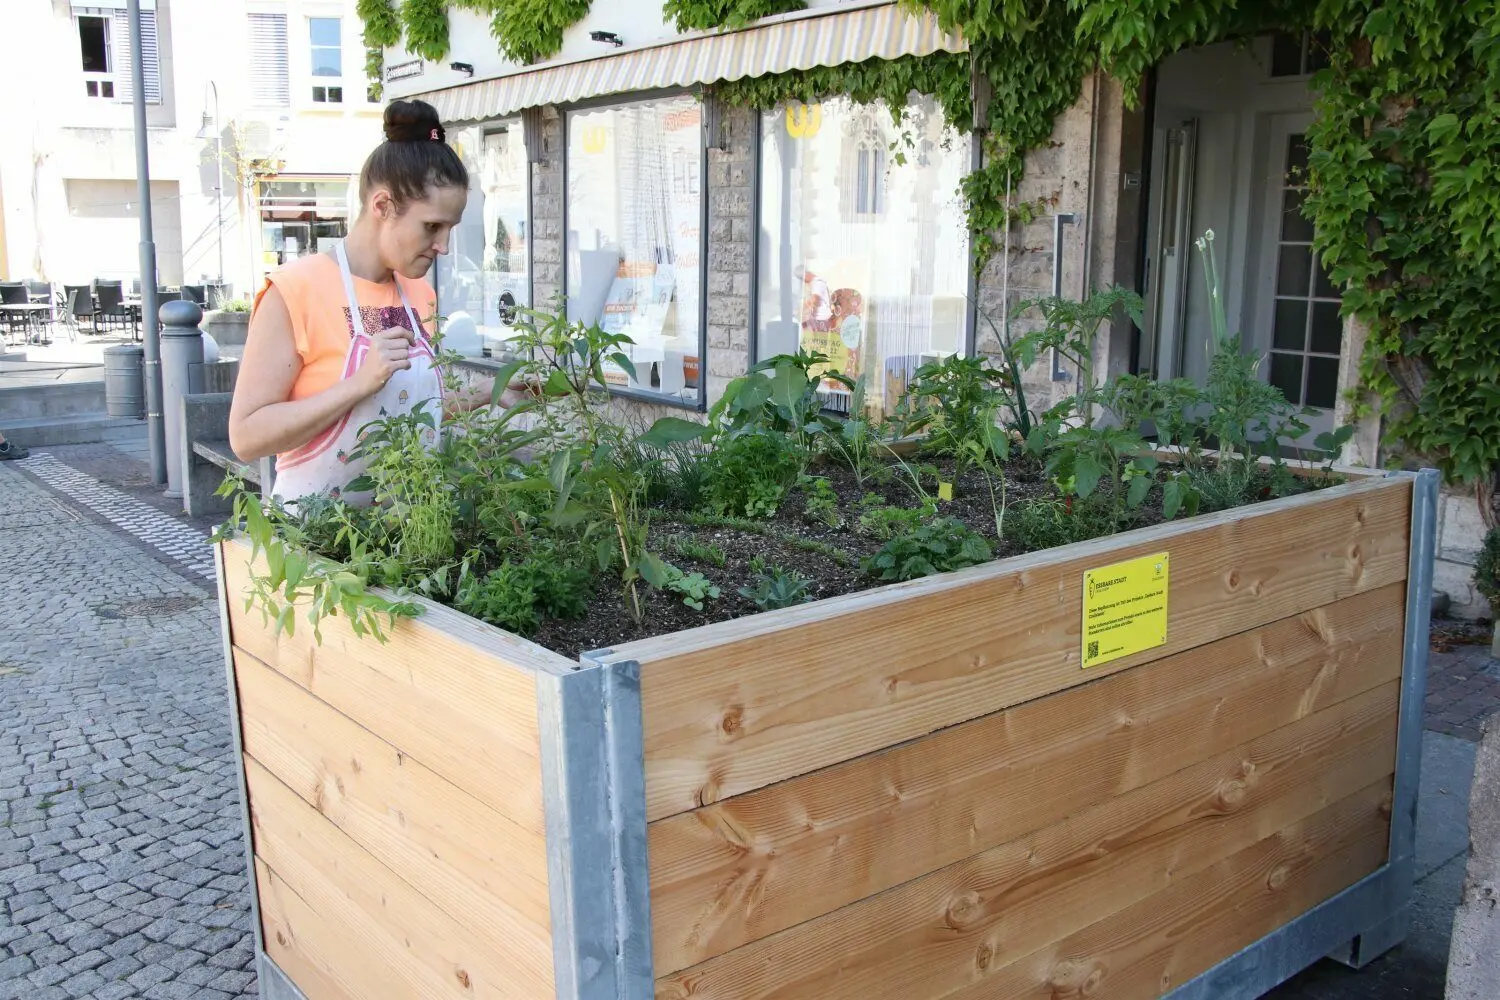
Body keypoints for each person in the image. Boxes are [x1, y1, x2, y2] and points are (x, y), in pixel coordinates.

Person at [228, 99, 529, 505]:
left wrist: (490, 391)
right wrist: (359, 384)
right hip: (314, 534)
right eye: (432, 226)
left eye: (450, 228)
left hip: (404, 530)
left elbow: (406, 415)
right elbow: (246, 437)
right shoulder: (294, 291)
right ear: (383, 206)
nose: (443, 246)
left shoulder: (419, 295)